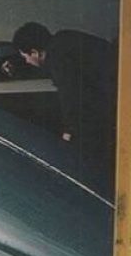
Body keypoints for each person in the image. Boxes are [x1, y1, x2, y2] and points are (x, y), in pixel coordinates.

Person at [11, 21, 117, 185]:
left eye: (25, 57)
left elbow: (72, 97)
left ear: (35, 52)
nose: (26, 61)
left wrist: (69, 131)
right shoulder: (63, 39)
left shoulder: (58, 59)